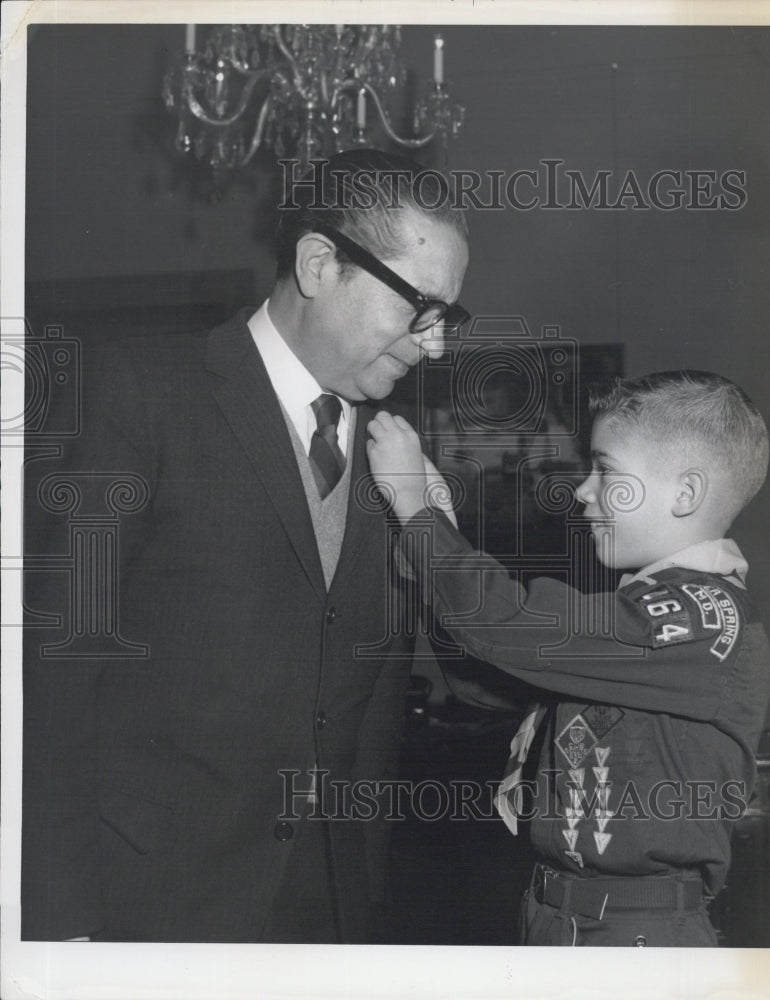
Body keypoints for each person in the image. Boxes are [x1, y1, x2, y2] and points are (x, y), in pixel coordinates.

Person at [22, 148, 469, 943]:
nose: (433, 346)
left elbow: (374, 708)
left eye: (447, 318)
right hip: (147, 908)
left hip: (326, 918)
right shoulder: (137, 396)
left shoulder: (399, 455)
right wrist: (60, 924)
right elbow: (54, 678)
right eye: (418, 309)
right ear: (318, 263)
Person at [366, 370, 770, 946]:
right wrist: (433, 534)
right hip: (562, 912)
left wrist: (417, 510)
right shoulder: (647, 606)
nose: (583, 489)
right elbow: (483, 680)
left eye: (605, 469)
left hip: (638, 930)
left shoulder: (700, 618)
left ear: (685, 494)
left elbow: (512, 625)